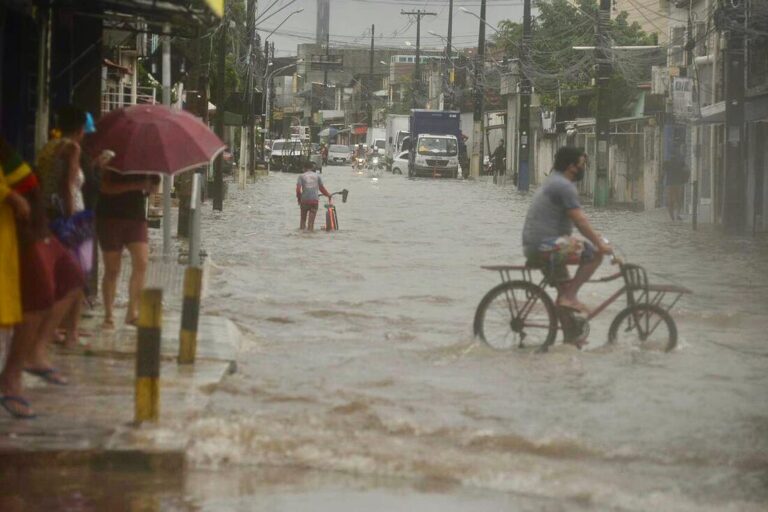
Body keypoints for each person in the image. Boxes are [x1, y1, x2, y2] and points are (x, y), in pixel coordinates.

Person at [522, 146, 613, 316]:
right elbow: (580, 220)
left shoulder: (554, 180)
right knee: (593, 253)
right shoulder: (564, 186)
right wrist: (598, 243)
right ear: (572, 166)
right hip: (546, 246)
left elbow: (574, 222)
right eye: (582, 164)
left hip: (538, 244)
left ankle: (570, 336)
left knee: (563, 298)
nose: (583, 168)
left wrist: (594, 236)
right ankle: (570, 297)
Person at [96, 167, 159, 328]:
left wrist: (151, 186)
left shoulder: (148, 162)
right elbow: (105, 187)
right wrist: (136, 185)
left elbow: (152, 190)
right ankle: (109, 315)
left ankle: (132, 312)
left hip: (136, 216)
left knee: (142, 261)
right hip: (110, 216)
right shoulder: (113, 160)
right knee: (112, 269)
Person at [296, 160, 331, 231]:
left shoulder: (301, 176)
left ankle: (302, 237)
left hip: (304, 201)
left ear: (304, 168)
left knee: (303, 221)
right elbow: (322, 189)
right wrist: (328, 195)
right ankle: (311, 236)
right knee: (311, 223)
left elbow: (298, 190)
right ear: (312, 168)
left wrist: (299, 199)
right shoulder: (317, 176)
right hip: (314, 201)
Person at [663, 151, 689, 221]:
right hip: (678, 184)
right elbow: (687, 171)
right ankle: (677, 215)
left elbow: (663, 171)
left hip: (670, 185)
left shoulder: (667, 163)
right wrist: (685, 180)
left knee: (670, 202)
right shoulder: (680, 163)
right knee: (678, 201)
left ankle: (672, 218)